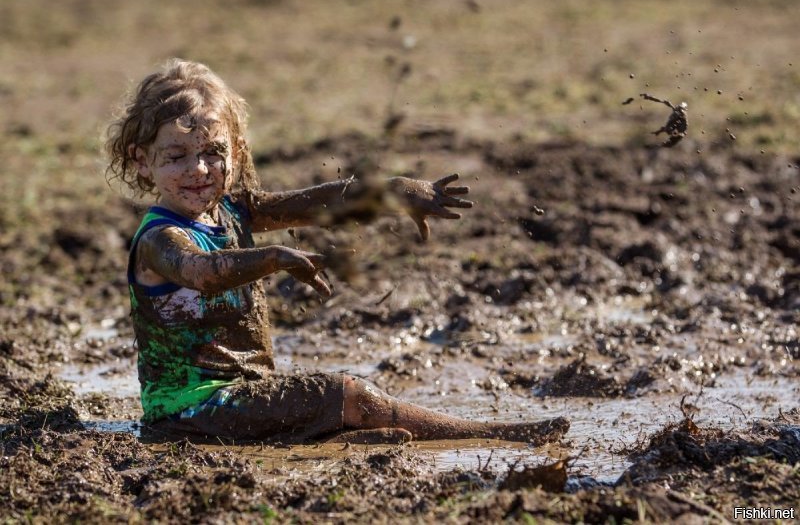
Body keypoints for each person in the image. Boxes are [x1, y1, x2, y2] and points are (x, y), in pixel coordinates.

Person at [106, 58, 569, 445]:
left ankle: (329, 440)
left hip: (242, 399)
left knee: (322, 397)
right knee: (349, 393)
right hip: (188, 414)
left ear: (237, 149)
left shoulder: (234, 210)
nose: (199, 169)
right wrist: (274, 258)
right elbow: (201, 271)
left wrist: (395, 191)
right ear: (141, 160)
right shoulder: (158, 239)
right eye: (177, 156)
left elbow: (321, 202)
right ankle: (496, 435)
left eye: (212, 151)